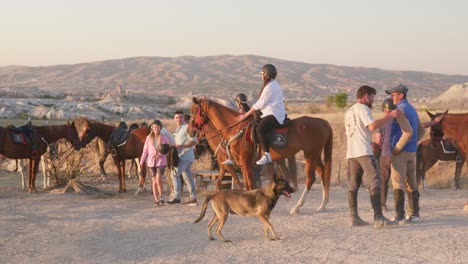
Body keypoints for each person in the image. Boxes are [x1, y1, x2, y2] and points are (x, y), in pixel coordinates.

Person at [345, 85, 400, 228]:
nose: (373, 100)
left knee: (354, 183)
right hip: (364, 150)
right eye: (372, 97)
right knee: (375, 180)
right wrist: (390, 116)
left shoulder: (349, 111)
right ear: (366, 96)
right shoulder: (363, 109)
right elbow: (373, 126)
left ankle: (354, 217)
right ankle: (378, 217)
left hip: (352, 152)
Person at [386, 84, 437, 223]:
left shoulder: (399, 110)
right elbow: (421, 130)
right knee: (412, 182)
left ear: (401, 95)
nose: (392, 97)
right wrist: (413, 144)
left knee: (397, 182)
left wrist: (397, 148)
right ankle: (415, 214)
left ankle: (399, 215)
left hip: (400, 152)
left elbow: (407, 132)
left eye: (393, 94)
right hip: (411, 151)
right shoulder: (412, 109)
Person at [237, 64, 287, 165]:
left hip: (273, 114)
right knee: (255, 124)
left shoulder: (269, 87)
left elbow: (260, 103)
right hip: (270, 112)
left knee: (260, 129)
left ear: (266, 75)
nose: (261, 76)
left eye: (262, 74)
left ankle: (267, 155)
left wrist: (246, 115)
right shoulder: (273, 84)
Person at [166, 111, 198, 205]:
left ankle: (176, 197)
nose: (178, 119)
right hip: (182, 156)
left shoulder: (187, 127)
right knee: (187, 177)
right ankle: (193, 198)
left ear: (184, 118)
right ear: (174, 119)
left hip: (186, 156)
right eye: (176, 117)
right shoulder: (178, 129)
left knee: (174, 174)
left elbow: (194, 141)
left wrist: (181, 146)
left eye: (180, 117)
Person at [140, 120, 170, 205]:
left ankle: (161, 197)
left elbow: (167, 151)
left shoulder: (164, 138)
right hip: (151, 162)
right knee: (153, 181)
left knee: (158, 180)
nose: (156, 129)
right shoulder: (148, 138)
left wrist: (159, 155)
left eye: (158, 127)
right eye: (154, 127)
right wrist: (142, 161)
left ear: (160, 128)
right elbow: (145, 151)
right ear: (152, 128)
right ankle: (156, 199)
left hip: (161, 162)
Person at [222, 93, 251, 165]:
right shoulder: (249, 109)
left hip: (242, 131)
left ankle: (230, 158)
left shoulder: (241, 111)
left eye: (236, 102)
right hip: (248, 130)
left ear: (239, 102)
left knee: (226, 141)